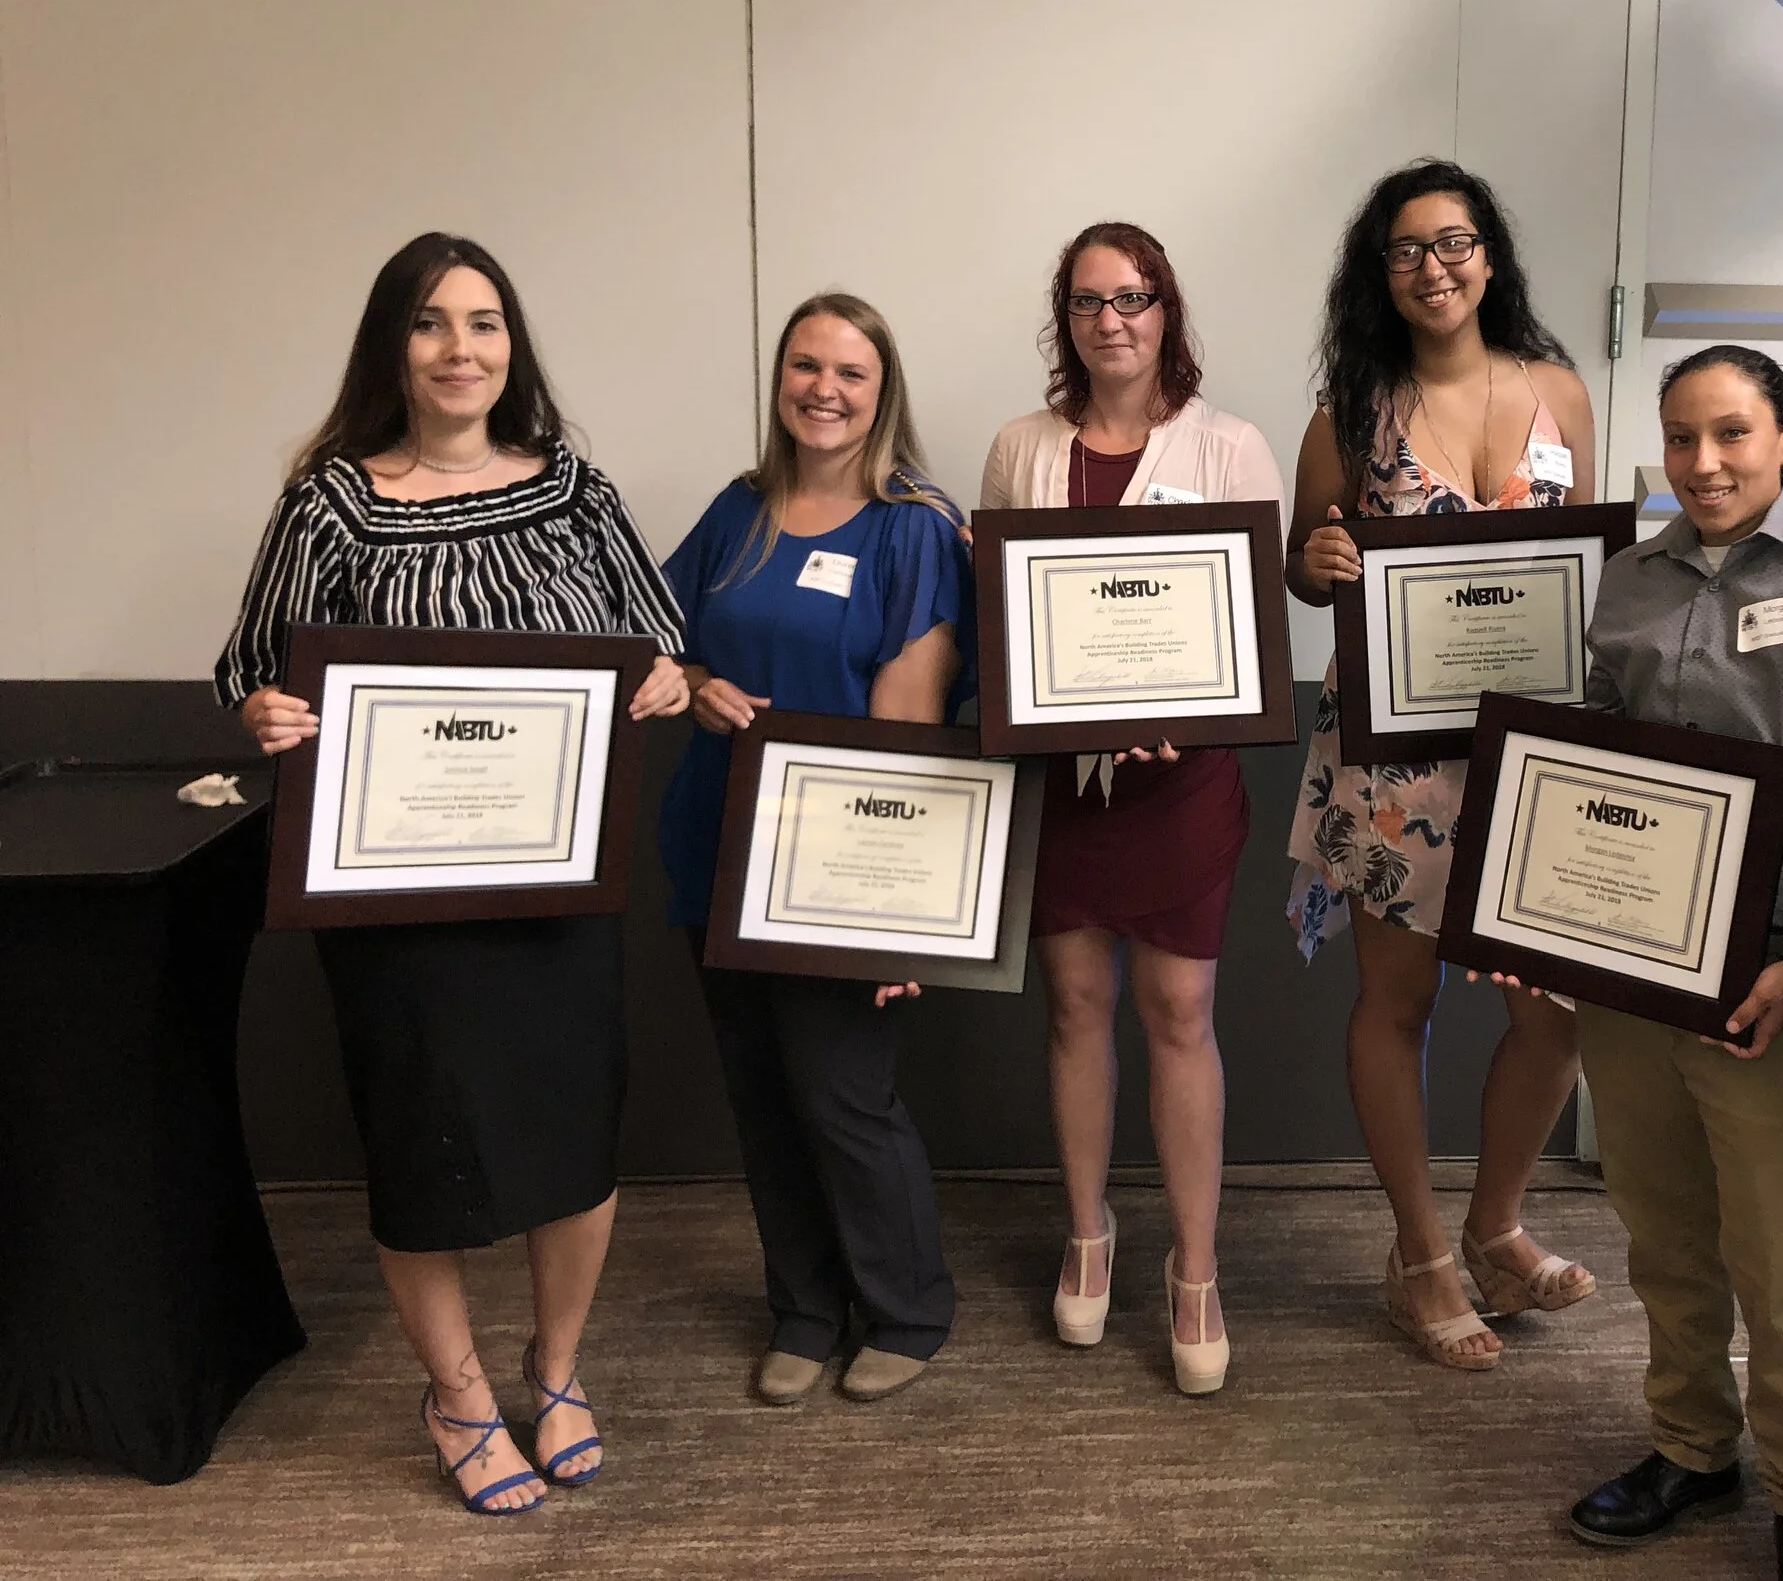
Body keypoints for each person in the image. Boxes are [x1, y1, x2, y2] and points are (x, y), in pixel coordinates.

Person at [215, 232, 689, 1516]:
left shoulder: (576, 492)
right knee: (421, 1148)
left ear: (511, 347)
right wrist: (266, 713)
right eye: (432, 324)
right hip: (393, 903)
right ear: (394, 346)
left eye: (485, 324)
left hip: (556, 886)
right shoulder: (331, 501)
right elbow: (252, 666)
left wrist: (662, 675)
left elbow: (663, 645)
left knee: (573, 1142)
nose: (462, 349)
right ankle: (460, 1392)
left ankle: (557, 1366)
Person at [1513, 347, 1783, 1579]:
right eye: (1680, 439)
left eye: (1734, 435)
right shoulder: (1630, 580)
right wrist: (1536, 911)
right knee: (1663, 1231)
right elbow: (1591, 755)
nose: (1704, 463)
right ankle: (1692, 1448)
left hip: (1772, 979)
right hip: (1635, 972)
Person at [1285, 160, 1601, 1369]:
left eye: (1453, 241)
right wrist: (1314, 563)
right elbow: (1300, 563)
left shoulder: (1558, 391)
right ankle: (1418, 1254)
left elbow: (1586, 563)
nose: (1434, 266)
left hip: (1531, 746)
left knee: (1553, 1011)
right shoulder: (1348, 413)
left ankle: (1495, 1229)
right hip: (1393, 754)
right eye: (1407, 249)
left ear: (1489, 254)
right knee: (1399, 1002)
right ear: (1382, 273)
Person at [978, 223, 1284, 1397]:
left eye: (1135, 297)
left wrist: (1189, 718)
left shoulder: (1230, 444)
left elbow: (1250, 629)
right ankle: (1088, 1232)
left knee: (1178, 1004)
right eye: (1089, 301)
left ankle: (1195, 1269)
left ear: (1168, 312)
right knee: (1074, 1003)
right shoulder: (1020, 448)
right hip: (1066, 786)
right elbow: (1007, 622)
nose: (1113, 319)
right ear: (1064, 320)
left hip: (1182, 780)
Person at [658, 292, 972, 1407]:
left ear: (883, 392)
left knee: (843, 1095)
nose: (823, 391)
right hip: (714, 847)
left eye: (849, 372)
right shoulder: (737, 510)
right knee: (760, 1093)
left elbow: (912, 730)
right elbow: (665, 646)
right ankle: (802, 1305)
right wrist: (695, 687)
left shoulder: (915, 528)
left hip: (837, 866)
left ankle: (906, 1308)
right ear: (779, 379)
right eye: (805, 366)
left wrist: (892, 912)